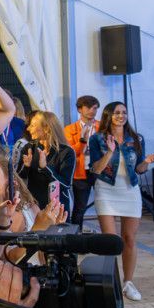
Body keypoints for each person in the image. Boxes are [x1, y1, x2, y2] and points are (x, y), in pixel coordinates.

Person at [86, 101, 154, 301]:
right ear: (109, 115)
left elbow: (139, 169)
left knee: (129, 239)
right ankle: (111, 283)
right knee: (110, 241)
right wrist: (110, 151)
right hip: (106, 190)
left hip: (130, 191)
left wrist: (147, 162)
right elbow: (96, 169)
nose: (121, 116)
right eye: (117, 112)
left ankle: (128, 282)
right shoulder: (97, 139)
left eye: (124, 112)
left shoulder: (136, 139)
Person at [20, 111, 77, 215]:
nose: (28, 129)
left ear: (46, 128)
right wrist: (26, 167)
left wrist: (45, 168)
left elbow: (65, 184)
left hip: (57, 209)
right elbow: (20, 178)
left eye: (33, 125)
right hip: (34, 208)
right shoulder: (29, 148)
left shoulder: (66, 152)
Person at [63, 96, 100, 226]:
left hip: (100, 170)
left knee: (106, 204)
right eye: (88, 107)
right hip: (80, 171)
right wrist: (83, 141)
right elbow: (71, 152)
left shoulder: (102, 127)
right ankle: (76, 234)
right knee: (80, 207)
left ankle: (107, 233)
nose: (92, 111)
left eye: (95, 108)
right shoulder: (69, 129)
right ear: (79, 109)